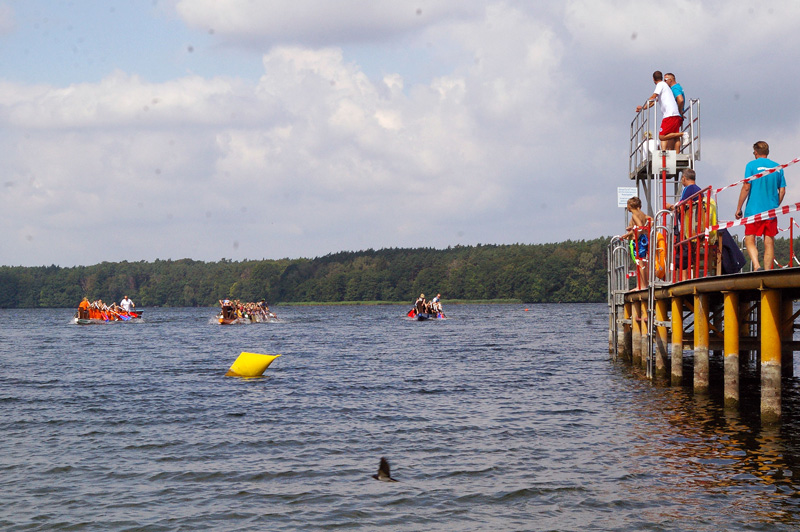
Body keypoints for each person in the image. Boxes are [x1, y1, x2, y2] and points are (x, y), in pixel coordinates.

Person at [735, 141, 786, 271]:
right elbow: (782, 190)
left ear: (756, 152)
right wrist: (775, 205)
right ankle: (767, 271)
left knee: (749, 239)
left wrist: (739, 208)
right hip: (771, 211)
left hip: (753, 210)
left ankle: (757, 265)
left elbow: (746, 187)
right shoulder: (778, 167)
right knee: (769, 241)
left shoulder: (751, 165)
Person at [636, 71, 682, 151]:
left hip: (669, 114)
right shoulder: (665, 87)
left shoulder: (660, 84)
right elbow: (653, 102)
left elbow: (653, 97)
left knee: (662, 136)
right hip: (675, 114)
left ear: (653, 79)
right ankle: (676, 154)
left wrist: (644, 106)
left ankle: (683, 134)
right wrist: (643, 108)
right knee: (675, 136)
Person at [624, 196, 651, 286]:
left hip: (638, 241)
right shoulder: (642, 214)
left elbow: (639, 226)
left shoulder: (634, 215)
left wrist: (629, 233)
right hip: (643, 239)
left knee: (639, 263)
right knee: (643, 263)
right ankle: (644, 283)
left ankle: (642, 285)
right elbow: (651, 220)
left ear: (630, 206)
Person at [664, 72, 687, 150]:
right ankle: (676, 153)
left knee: (670, 135)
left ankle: (671, 152)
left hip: (675, 115)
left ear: (671, 79)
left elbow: (680, 99)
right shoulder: (677, 87)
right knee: (675, 134)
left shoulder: (675, 88)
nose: (664, 82)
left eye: (665, 80)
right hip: (677, 116)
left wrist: (679, 111)